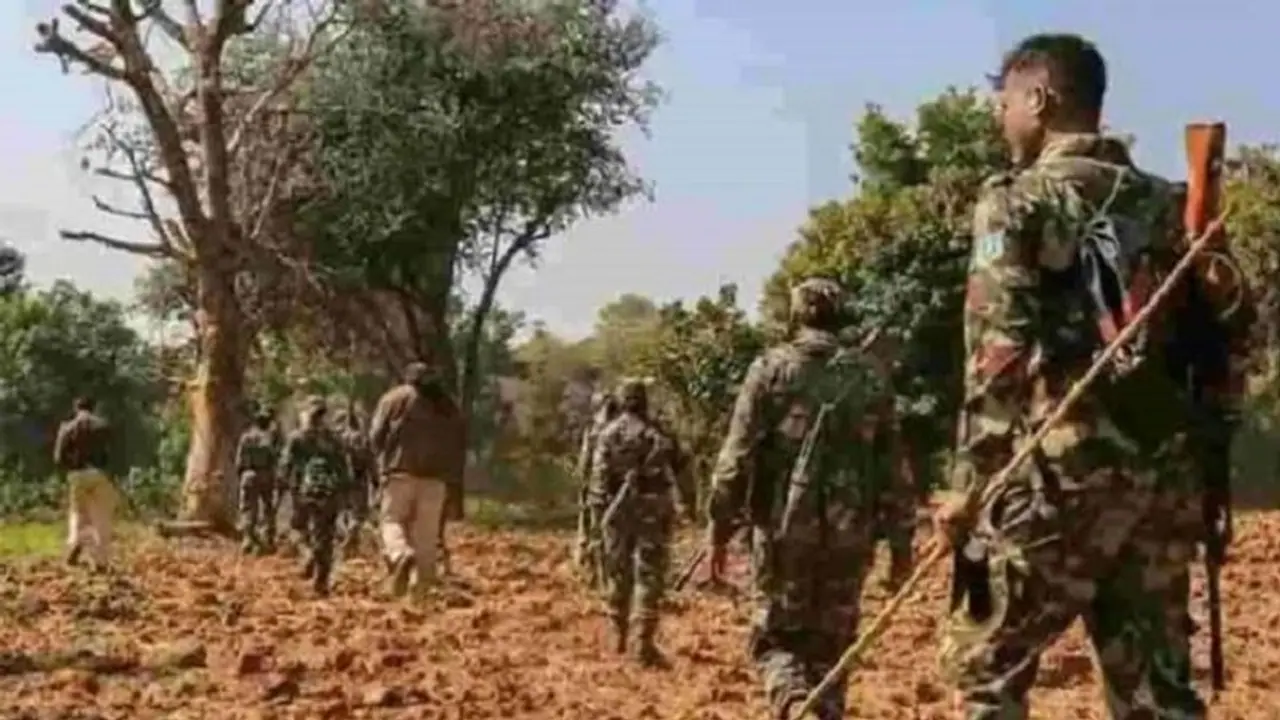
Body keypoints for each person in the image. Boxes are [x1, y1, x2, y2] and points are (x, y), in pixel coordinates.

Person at [933, 33, 1252, 719]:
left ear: (1040, 99)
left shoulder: (1016, 202)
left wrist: (969, 482)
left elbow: (998, 353)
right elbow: (1228, 341)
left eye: (1005, 102)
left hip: (1057, 481)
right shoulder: (1173, 206)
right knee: (1157, 696)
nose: (1001, 118)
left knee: (986, 671)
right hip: (1161, 484)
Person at [704, 278, 913, 719]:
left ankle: (793, 702)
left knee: (777, 640)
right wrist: (901, 547)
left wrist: (718, 532)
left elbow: (734, 461)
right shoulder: (870, 377)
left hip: (782, 534)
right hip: (850, 537)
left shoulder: (770, 370)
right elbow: (895, 471)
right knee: (832, 648)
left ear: (796, 315)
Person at [590, 377, 676, 665]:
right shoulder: (658, 433)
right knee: (649, 574)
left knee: (618, 571)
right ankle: (642, 644)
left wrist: (599, 516)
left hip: (617, 511)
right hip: (653, 509)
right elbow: (682, 466)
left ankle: (618, 635)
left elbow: (599, 481)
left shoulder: (608, 434)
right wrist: (690, 505)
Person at [370, 362, 464, 597]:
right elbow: (459, 443)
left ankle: (400, 554)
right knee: (426, 539)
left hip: (400, 473)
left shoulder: (394, 399)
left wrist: (380, 464)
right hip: (436, 480)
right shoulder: (447, 404)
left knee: (392, 521)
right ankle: (418, 595)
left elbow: (375, 437)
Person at [280, 396, 351, 596]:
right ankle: (321, 580)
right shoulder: (333, 439)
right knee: (325, 536)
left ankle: (310, 556)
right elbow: (343, 469)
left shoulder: (298, 437)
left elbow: (285, 466)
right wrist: (344, 492)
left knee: (299, 529)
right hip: (328, 493)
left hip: (304, 492)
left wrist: (285, 486)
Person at [54, 397, 115, 570]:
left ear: (76, 409)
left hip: (77, 474)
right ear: (93, 408)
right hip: (98, 473)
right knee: (100, 516)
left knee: (77, 512)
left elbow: (58, 457)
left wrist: (71, 467)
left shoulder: (67, 428)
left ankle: (75, 541)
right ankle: (101, 560)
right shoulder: (103, 426)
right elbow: (111, 452)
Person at [574, 390, 619, 587]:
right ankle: (595, 572)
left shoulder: (596, 430)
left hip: (600, 489)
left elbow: (585, 462)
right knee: (597, 532)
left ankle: (595, 573)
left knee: (596, 532)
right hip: (601, 489)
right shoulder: (604, 430)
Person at [235, 410, 280, 554]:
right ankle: (268, 539)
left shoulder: (246, 437)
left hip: (248, 475)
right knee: (268, 508)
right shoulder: (268, 439)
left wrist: (242, 474)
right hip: (265, 475)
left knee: (248, 508)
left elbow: (239, 461)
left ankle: (248, 539)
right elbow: (274, 459)